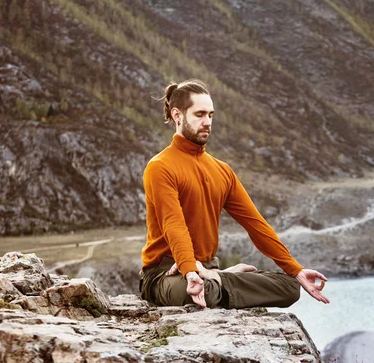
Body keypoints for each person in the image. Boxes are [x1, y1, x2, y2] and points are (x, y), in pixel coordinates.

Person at [140, 79, 330, 309]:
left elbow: (254, 223)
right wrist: (190, 269)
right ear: (177, 115)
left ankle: (218, 277)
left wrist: (295, 269)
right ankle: (218, 278)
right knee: (205, 292)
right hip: (164, 274)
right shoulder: (160, 166)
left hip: (207, 268)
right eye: (199, 114)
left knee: (290, 288)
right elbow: (173, 224)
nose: (207, 122)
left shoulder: (222, 170)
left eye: (211, 115)